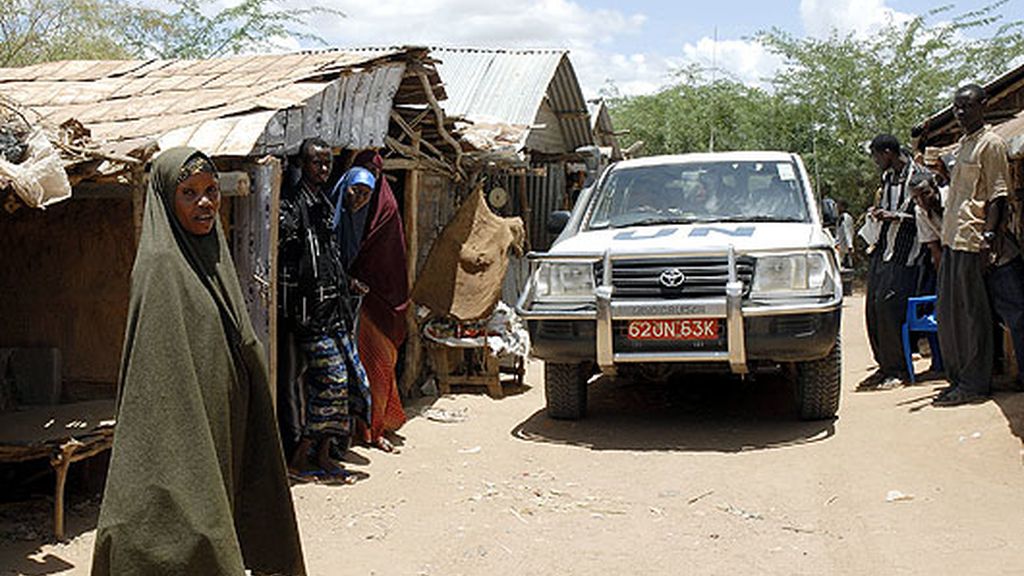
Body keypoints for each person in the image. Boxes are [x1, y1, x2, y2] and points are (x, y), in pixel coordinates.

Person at [90, 148, 305, 576]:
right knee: (186, 532)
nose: (205, 202)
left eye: (211, 191)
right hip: (181, 431)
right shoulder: (162, 266)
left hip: (221, 420)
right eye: (189, 193)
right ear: (167, 199)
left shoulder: (211, 253)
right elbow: (159, 372)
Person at [279, 137, 371, 478]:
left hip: (332, 311)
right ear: (303, 164)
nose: (322, 168)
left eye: (326, 163)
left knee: (347, 381)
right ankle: (301, 456)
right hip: (310, 315)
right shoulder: (293, 204)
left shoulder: (323, 203)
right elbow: (293, 261)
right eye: (316, 163)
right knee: (332, 379)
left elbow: (328, 257)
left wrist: (345, 283)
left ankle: (322, 454)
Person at [933, 84, 1013, 406]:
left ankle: (974, 384)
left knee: (971, 316)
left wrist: (989, 238)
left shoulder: (990, 144)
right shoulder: (963, 145)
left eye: (966, 107)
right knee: (950, 314)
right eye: (956, 108)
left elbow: (998, 195)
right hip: (952, 237)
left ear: (983, 105)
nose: (960, 113)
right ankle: (958, 378)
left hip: (972, 239)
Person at [332, 150, 409, 452]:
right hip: (361, 301)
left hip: (381, 302)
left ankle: (374, 427)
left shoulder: (384, 211)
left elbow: (377, 260)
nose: (361, 198)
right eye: (357, 190)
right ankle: (363, 426)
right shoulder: (347, 210)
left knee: (375, 365)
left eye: (368, 190)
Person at [864, 134, 926, 389]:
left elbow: (926, 214)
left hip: (906, 253)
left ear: (888, 152)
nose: (877, 161)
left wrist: (895, 216)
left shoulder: (918, 175)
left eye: (878, 156)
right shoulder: (888, 178)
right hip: (884, 248)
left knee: (890, 307)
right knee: (873, 308)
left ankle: (898, 369)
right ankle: (884, 366)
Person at [835, 200, 855, 268]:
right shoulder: (841, 217)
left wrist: (850, 246)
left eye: (838, 206)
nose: (837, 208)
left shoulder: (845, 217)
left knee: (846, 262)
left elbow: (847, 231)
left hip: (845, 245)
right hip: (841, 245)